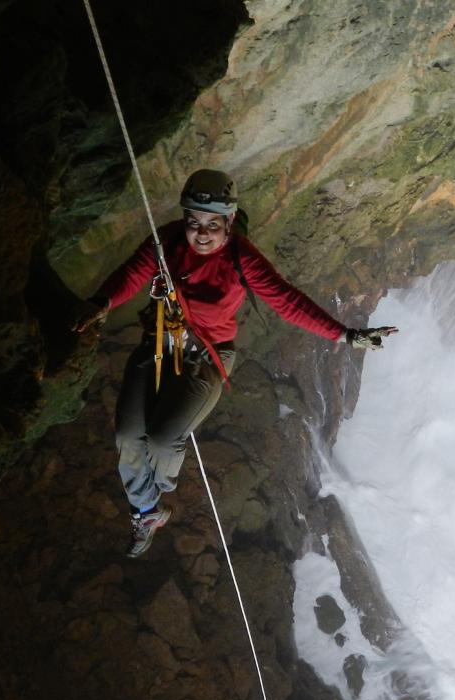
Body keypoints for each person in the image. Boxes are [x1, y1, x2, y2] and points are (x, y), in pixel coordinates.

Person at [73, 169, 396, 557]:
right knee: (127, 437)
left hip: (207, 356)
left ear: (228, 223)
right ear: (185, 220)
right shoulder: (169, 241)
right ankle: (146, 512)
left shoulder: (242, 258)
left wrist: (344, 335)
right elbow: (133, 273)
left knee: (162, 440)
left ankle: (157, 490)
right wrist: (102, 302)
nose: (202, 233)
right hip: (158, 343)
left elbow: (287, 302)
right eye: (194, 223)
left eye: (212, 224)